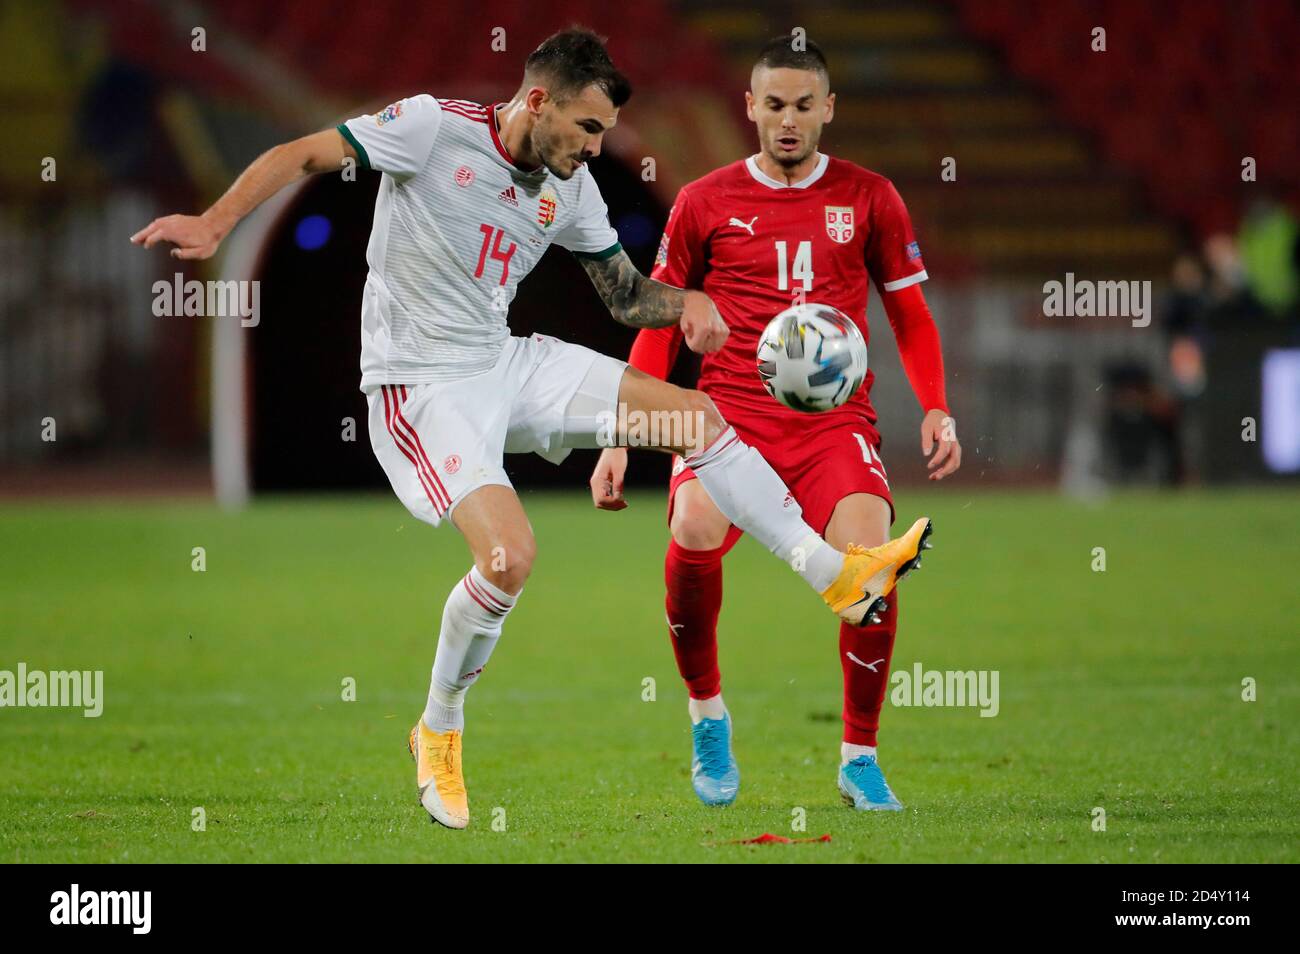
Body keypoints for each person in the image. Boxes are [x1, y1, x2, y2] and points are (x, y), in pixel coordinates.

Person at [131, 28, 931, 830]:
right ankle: (438, 727)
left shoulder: (572, 187)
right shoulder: (430, 128)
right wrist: (215, 221)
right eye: (586, 129)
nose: (594, 148)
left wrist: (684, 304)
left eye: (604, 134)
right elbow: (303, 155)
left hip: (505, 360)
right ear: (539, 101)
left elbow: (623, 296)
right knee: (509, 559)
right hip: (421, 386)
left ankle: (833, 574)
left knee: (695, 416)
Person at [590, 36, 959, 811]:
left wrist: (935, 405)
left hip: (832, 425)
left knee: (872, 563)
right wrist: (621, 429)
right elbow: (658, 322)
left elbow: (911, 313)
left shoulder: (870, 197)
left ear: (828, 110)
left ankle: (859, 757)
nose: (788, 121)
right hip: (726, 416)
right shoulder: (703, 201)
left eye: (803, 106)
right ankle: (707, 715)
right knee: (691, 526)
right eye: (774, 105)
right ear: (749, 107)